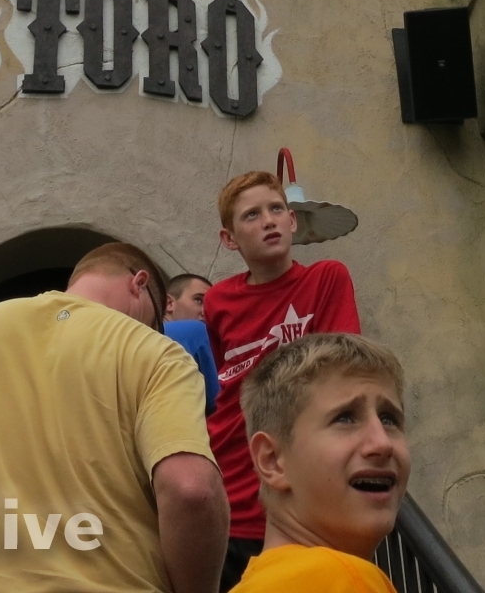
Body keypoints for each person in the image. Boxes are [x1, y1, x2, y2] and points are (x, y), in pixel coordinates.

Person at [0, 241, 229, 592]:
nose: (150, 329)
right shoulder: (158, 354)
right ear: (138, 283)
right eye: (153, 320)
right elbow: (191, 489)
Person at [204, 172, 361, 589]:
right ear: (229, 239)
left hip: (302, 499)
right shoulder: (218, 300)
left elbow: (342, 374)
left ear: (293, 221)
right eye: (252, 215)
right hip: (231, 492)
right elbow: (226, 387)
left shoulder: (327, 278)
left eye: (276, 209)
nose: (268, 221)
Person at [231, 333, 408, 592]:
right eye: (345, 418)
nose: (382, 443)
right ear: (272, 461)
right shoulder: (345, 579)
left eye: (389, 419)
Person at [164, 274, 219, 416]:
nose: (205, 311)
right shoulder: (196, 331)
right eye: (199, 300)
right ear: (168, 303)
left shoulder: (136, 333)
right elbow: (219, 404)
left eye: (211, 305)